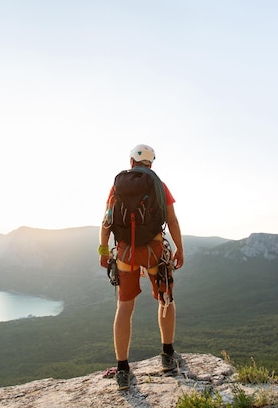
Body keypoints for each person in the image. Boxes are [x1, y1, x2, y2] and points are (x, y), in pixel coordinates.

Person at [98, 144, 185, 390]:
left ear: (131, 161)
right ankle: (168, 356)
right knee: (165, 298)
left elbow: (106, 221)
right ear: (151, 163)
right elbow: (173, 221)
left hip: (125, 252)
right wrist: (180, 248)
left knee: (124, 307)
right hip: (154, 251)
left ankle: (123, 370)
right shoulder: (159, 185)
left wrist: (104, 250)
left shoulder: (118, 186)